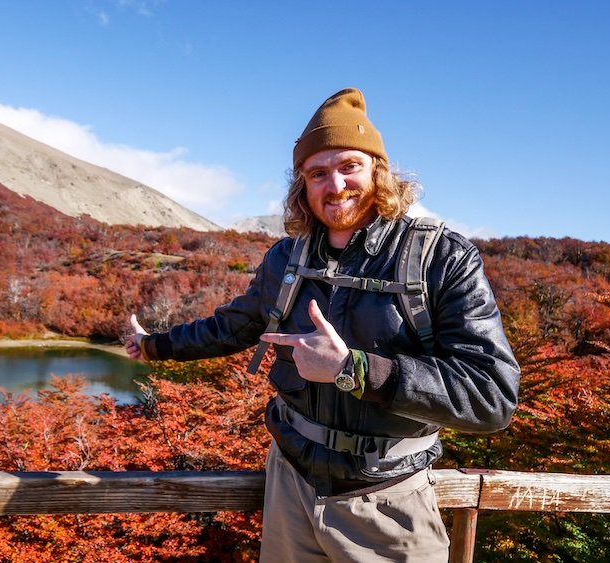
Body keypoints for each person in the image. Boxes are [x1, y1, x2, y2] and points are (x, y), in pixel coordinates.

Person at [125, 87, 520, 562]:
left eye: (349, 165)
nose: (335, 186)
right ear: (302, 186)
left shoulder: (442, 258)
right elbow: (234, 326)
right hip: (290, 485)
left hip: (388, 501)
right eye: (317, 173)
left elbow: (491, 398)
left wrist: (353, 368)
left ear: (378, 170)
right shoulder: (287, 258)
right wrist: (155, 347)